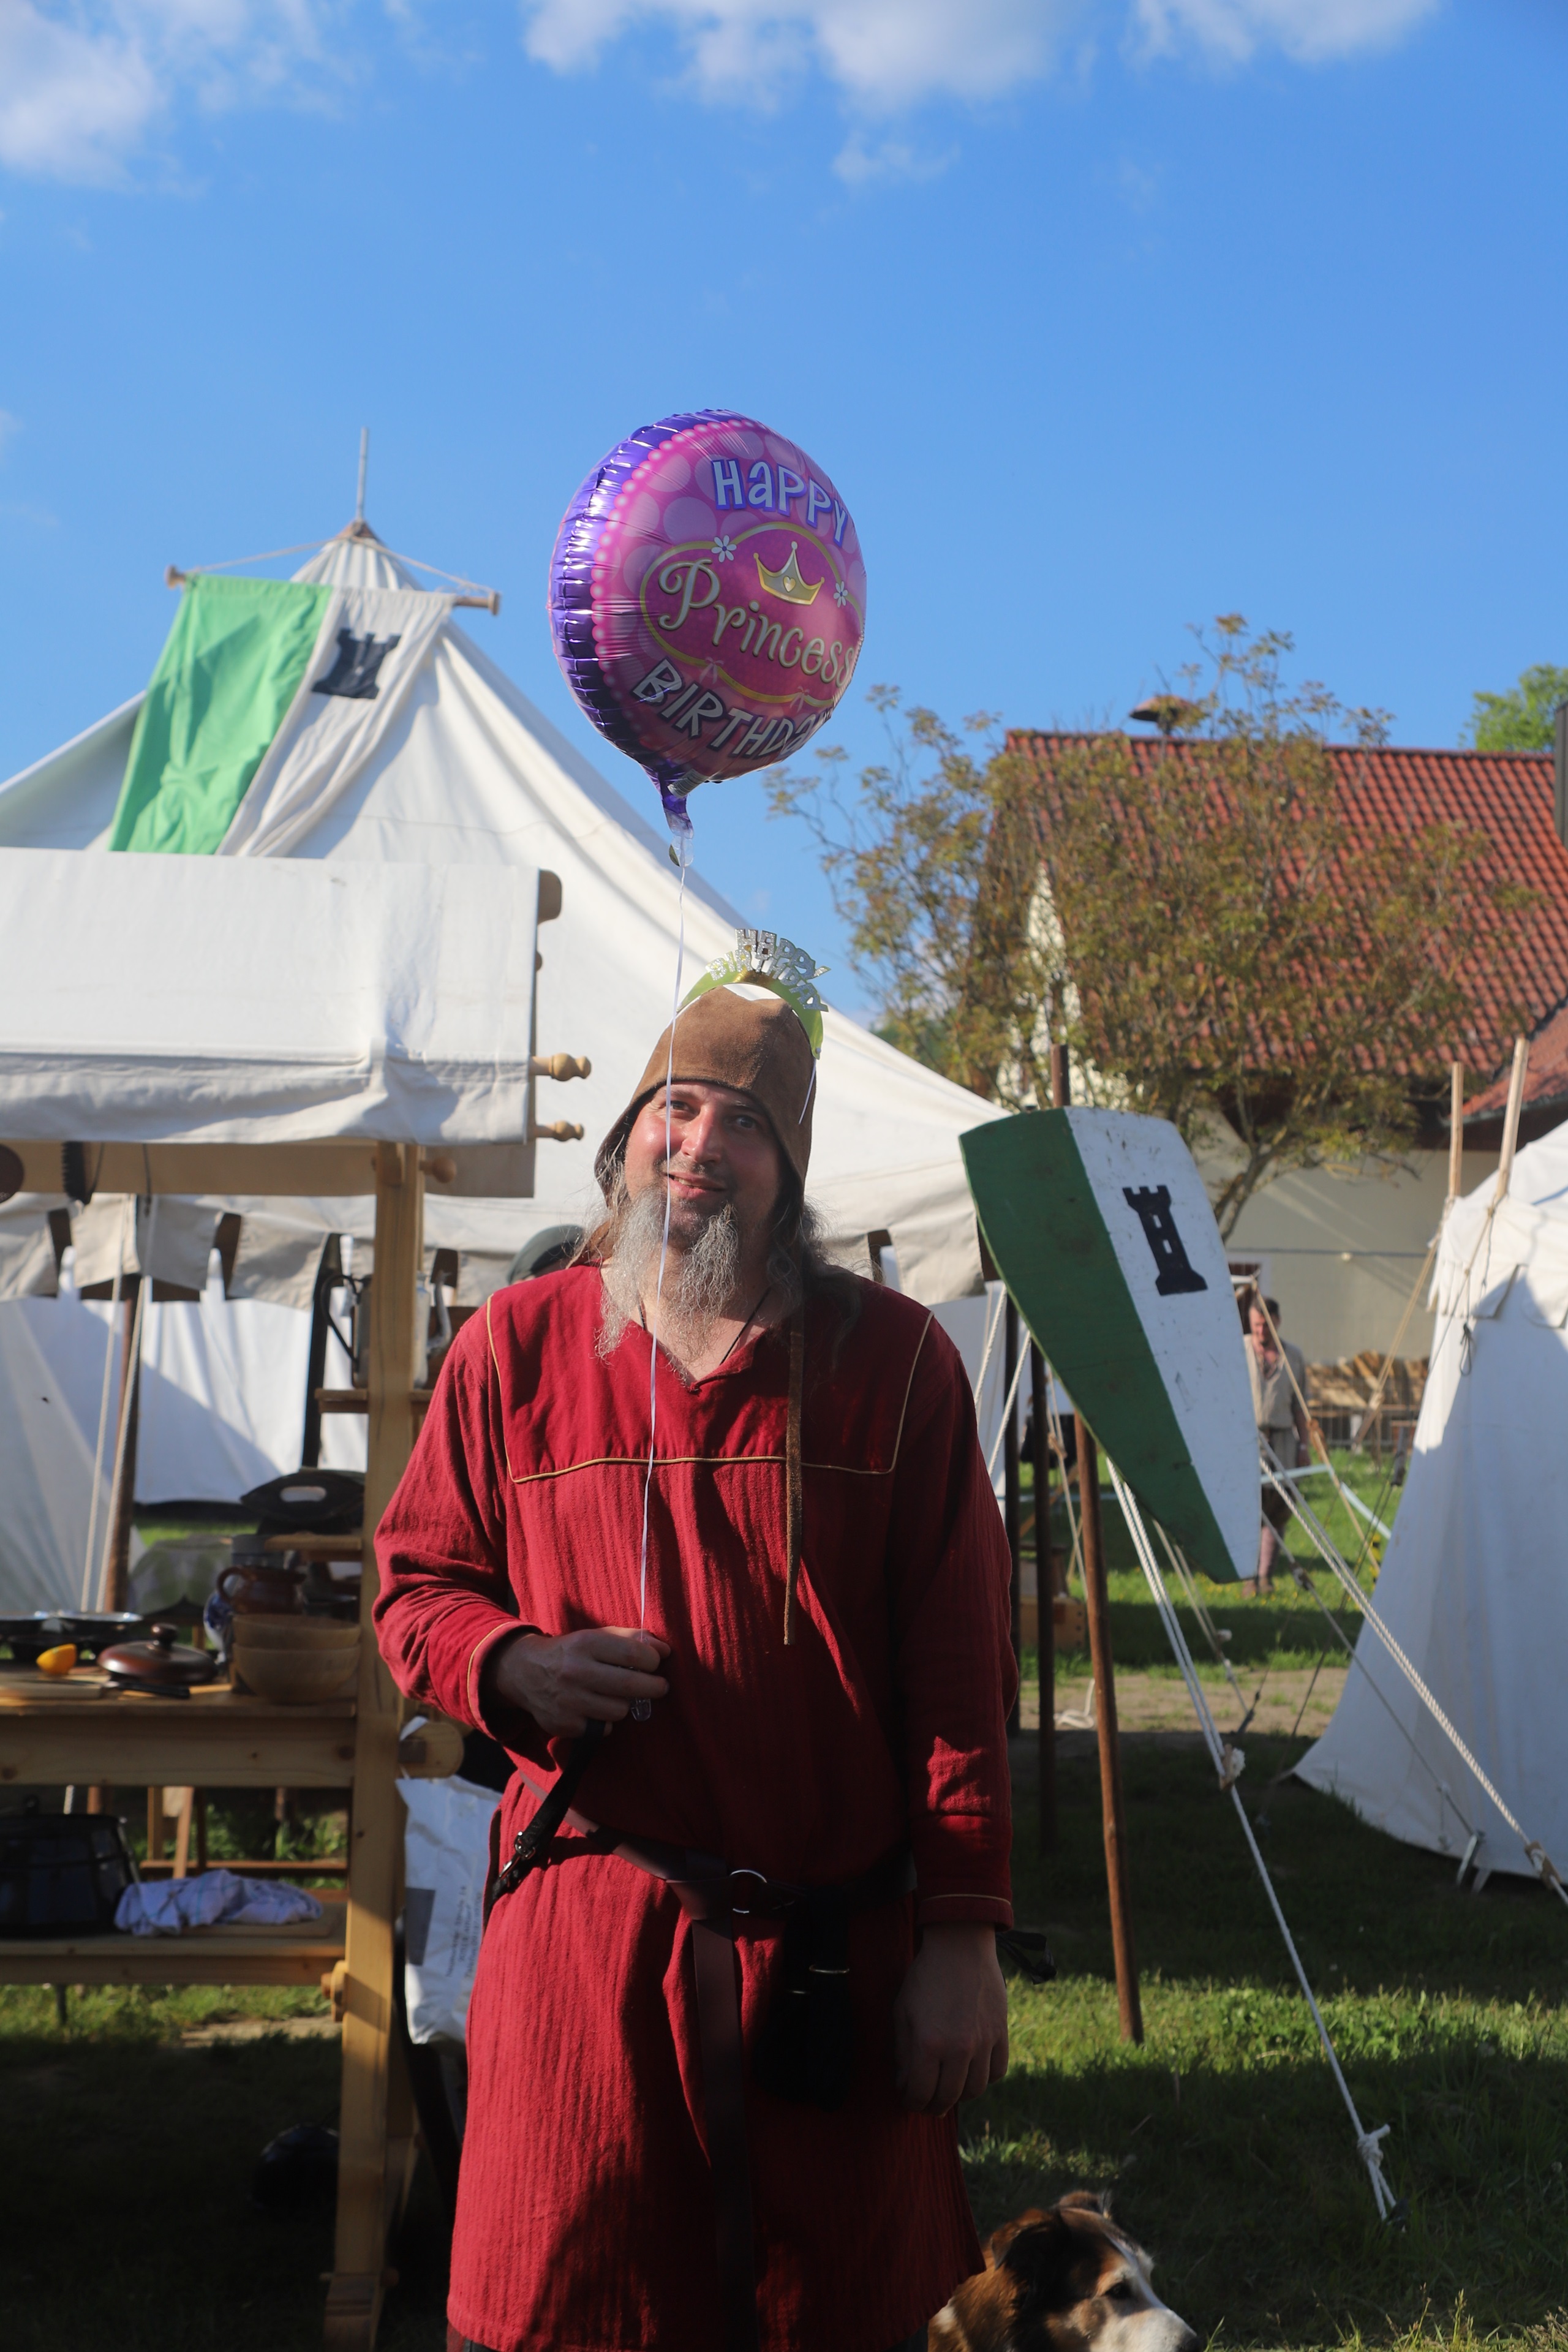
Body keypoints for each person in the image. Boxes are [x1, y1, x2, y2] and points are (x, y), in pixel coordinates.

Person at [373, 981, 1016, 2352]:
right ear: (624, 1141)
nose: (701, 1146)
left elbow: (961, 1669)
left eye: (746, 1124)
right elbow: (415, 1587)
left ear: (790, 1174)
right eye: (675, 1108)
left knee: (830, 2313)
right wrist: (510, 1663)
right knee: (573, 2305)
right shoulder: (513, 1350)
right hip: (589, 1937)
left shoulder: (894, 1361)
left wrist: (963, 1933)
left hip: (830, 1953)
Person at [1245, 1292, 1310, 1596]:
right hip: (1248, 1440)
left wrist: (1304, 1447)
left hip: (1283, 1439)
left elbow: (1300, 1408)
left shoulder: (1293, 1356)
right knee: (1249, 1508)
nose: (1261, 1331)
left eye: (1267, 1325)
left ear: (1278, 1322)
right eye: (1256, 1325)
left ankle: (1265, 1578)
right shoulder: (1239, 1351)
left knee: (1279, 1508)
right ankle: (1248, 1577)